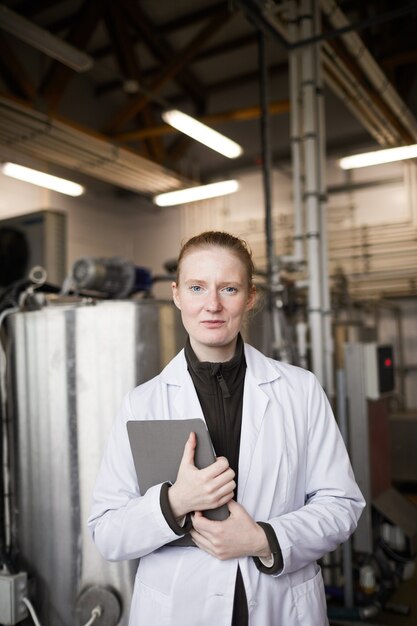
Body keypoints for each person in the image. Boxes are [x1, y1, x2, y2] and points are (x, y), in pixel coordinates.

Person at [88, 230, 365, 626]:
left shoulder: (299, 390)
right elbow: (107, 531)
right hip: (179, 610)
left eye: (229, 288)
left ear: (250, 297)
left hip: (279, 606)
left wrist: (264, 540)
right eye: (197, 287)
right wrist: (174, 503)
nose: (212, 305)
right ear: (177, 294)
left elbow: (342, 504)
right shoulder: (143, 402)